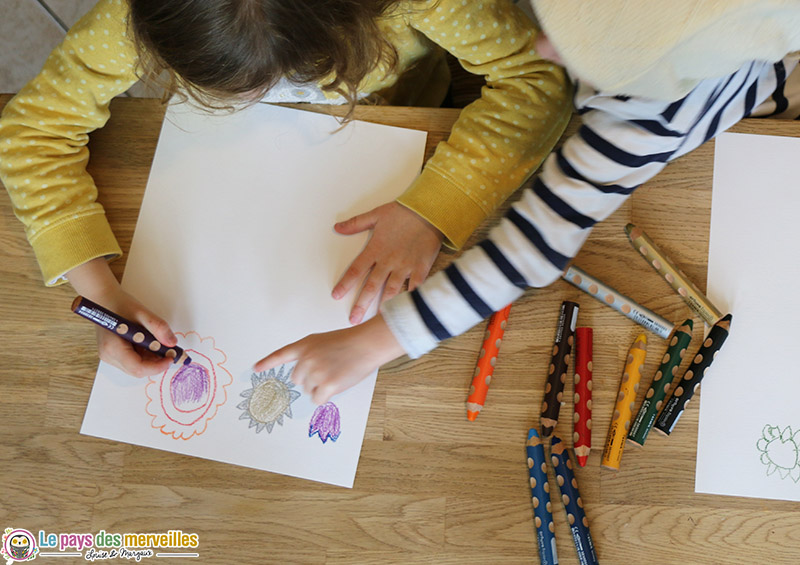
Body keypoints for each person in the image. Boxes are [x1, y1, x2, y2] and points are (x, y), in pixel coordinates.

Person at [256, 0, 800, 404]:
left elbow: (532, 244)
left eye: (571, 47)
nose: (539, 47)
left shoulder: (649, 114)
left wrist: (376, 342)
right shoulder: (646, 52)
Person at [0, 0, 571, 377]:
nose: (267, 95)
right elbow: (30, 133)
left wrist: (434, 209)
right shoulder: (135, 15)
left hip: (412, 114)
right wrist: (96, 285)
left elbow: (539, 77)